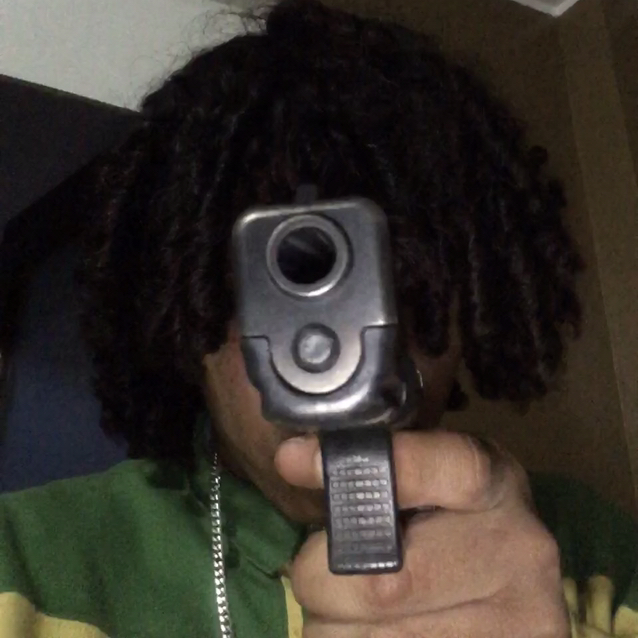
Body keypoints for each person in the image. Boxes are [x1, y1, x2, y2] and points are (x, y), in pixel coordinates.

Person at [1, 1, 637, 636]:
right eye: (289, 283)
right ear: (186, 316)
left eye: (410, 292)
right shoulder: (24, 563)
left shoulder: (597, 551)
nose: (351, 351)